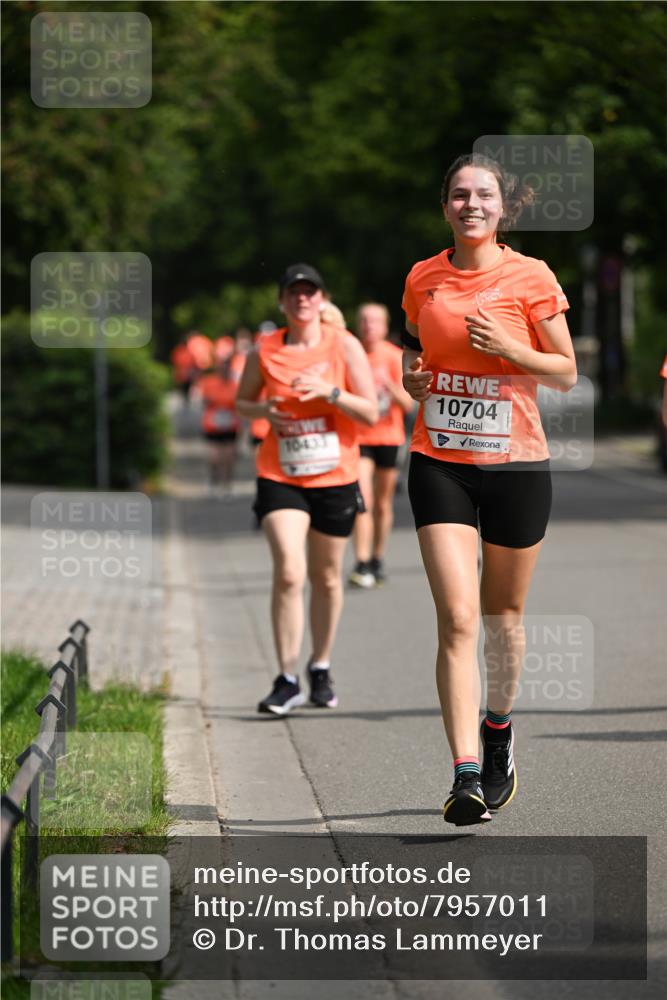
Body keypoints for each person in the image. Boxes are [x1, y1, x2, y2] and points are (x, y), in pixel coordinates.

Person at [401, 153, 576, 826]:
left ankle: (497, 727)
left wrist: (510, 346)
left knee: (502, 616)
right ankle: (465, 773)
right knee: (457, 617)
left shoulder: (531, 276)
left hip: (516, 465)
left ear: (504, 207)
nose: (470, 204)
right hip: (439, 459)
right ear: (444, 205)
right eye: (458, 194)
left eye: (483, 195)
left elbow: (563, 372)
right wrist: (413, 380)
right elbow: (416, 351)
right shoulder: (423, 277)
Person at [236, 263, 378, 715]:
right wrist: (263, 411)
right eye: (293, 292)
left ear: (322, 300)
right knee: (290, 572)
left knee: (328, 577)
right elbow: (242, 403)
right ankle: (286, 678)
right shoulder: (264, 349)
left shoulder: (344, 344)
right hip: (281, 474)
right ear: (282, 302)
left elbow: (371, 412)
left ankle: (320, 665)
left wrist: (329, 392)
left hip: (335, 476)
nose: (302, 298)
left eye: (310, 291)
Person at [348, 302, 414, 588]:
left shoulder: (394, 356)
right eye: (364, 320)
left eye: (374, 321)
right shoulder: (351, 354)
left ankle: (377, 557)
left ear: (385, 326)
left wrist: (389, 385)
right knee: (363, 499)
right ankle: (361, 561)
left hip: (388, 437)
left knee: (383, 503)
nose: (368, 326)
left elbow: (408, 404)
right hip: (358, 438)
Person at [196, 337, 240, 497]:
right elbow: (203, 401)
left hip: (230, 425)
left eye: (227, 367)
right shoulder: (209, 382)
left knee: (229, 458)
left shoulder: (235, 385)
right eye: (222, 367)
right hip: (212, 425)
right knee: (214, 458)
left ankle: (227, 485)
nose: (225, 370)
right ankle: (213, 481)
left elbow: (240, 405)